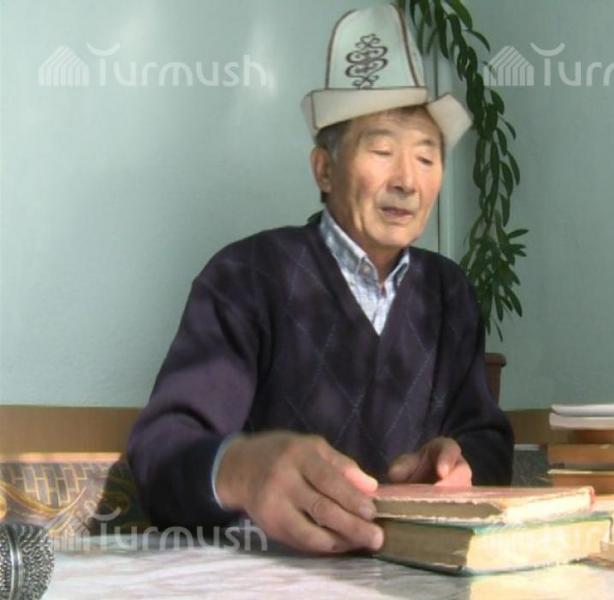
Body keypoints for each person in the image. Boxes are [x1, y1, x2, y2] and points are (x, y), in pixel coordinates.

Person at [127, 4, 513, 555]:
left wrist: (460, 462)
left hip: (413, 577)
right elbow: (161, 454)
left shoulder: (449, 293)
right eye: (383, 151)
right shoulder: (244, 277)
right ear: (324, 169)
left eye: (427, 159)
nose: (407, 180)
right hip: (270, 577)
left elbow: (487, 437)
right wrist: (244, 469)